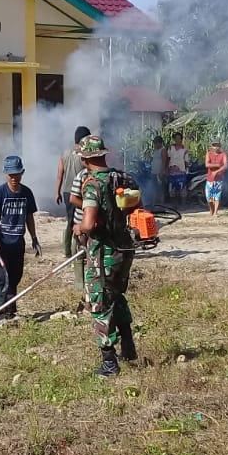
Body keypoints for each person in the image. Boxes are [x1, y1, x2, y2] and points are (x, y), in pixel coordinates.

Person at [77, 136, 136, 377]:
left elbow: (89, 223)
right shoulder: (122, 178)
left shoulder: (93, 184)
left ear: (84, 159)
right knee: (117, 296)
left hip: (103, 253)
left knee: (100, 303)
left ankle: (109, 362)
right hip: (125, 249)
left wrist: (79, 228)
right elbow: (133, 207)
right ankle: (129, 346)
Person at [0, 155, 40, 322]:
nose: (14, 178)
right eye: (11, 175)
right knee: (2, 279)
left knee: (15, 277)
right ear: (5, 174)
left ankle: (11, 310)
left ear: (22, 173)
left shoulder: (27, 193)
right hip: (1, 245)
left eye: (17, 174)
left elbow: (29, 217)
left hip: (18, 243)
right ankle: (0, 314)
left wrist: (34, 238)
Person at [55, 126, 90, 293]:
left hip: (67, 191)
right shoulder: (83, 156)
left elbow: (59, 174)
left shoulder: (65, 153)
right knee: (79, 221)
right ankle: (76, 251)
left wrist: (57, 191)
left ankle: (67, 251)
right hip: (79, 191)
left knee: (70, 221)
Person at [204, 141, 228, 217]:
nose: (216, 147)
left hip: (219, 179)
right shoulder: (209, 154)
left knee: (217, 196)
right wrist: (217, 165)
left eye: (217, 146)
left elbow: (226, 166)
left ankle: (215, 212)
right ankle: (211, 210)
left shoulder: (223, 154)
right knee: (209, 196)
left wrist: (217, 171)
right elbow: (207, 164)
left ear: (220, 147)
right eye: (214, 146)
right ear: (212, 147)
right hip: (210, 178)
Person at [166, 132, 189, 204]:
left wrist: (186, 170)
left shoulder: (185, 150)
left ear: (181, 139)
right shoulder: (170, 148)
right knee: (171, 190)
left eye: (179, 138)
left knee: (182, 189)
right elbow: (168, 159)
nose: (177, 140)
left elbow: (186, 161)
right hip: (172, 172)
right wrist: (166, 169)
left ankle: (183, 205)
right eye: (176, 138)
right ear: (174, 139)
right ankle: (174, 205)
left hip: (181, 172)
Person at [149, 135, 169, 200]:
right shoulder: (155, 150)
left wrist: (162, 171)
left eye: (155, 143)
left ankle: (162, 201)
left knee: (160, 188)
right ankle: (156, 200)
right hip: (154, 172)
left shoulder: (163, 150)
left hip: (159, 172)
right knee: (155, 187)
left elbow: (164, 161)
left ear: (159, 143)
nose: (154, 145)